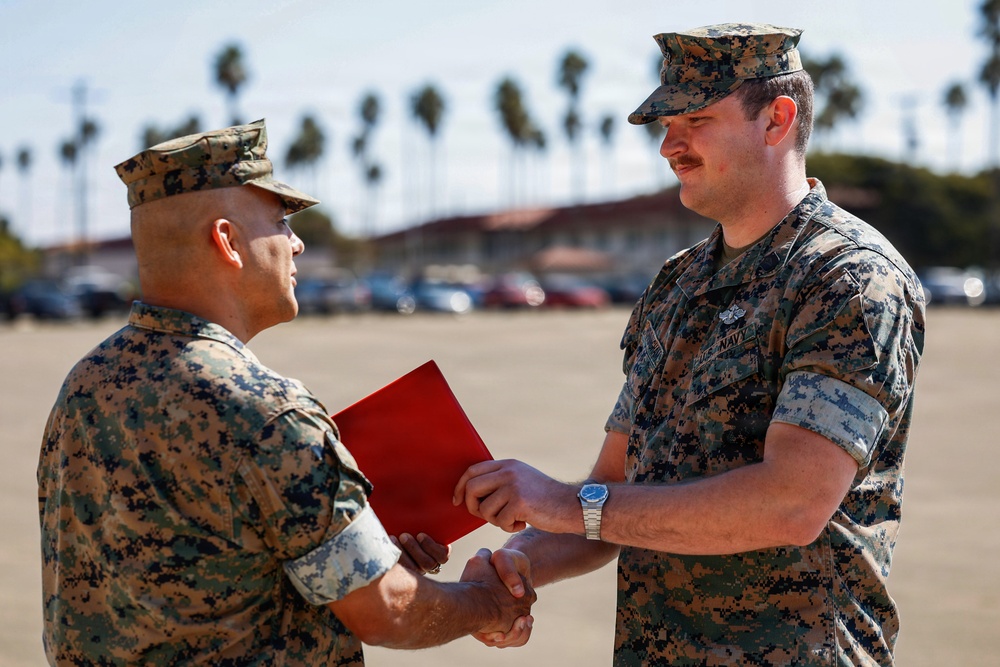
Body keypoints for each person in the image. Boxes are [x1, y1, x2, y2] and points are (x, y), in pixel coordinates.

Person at [455, 23, 925, 665]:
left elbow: (790, 504)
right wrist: (515, 566)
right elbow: (614, 501)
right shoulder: (679, 284)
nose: (670, 146)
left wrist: (568, 504)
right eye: (665, 124)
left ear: (776, 119)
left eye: (696, 119)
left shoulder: (846, 278)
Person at [38, 119, 534, 666]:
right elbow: (386, 610)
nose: (296, 243)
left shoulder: (84, 386)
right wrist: (487, 602)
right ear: (227, 241)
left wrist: (361, 554)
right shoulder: (267, 411)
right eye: (279, 222)